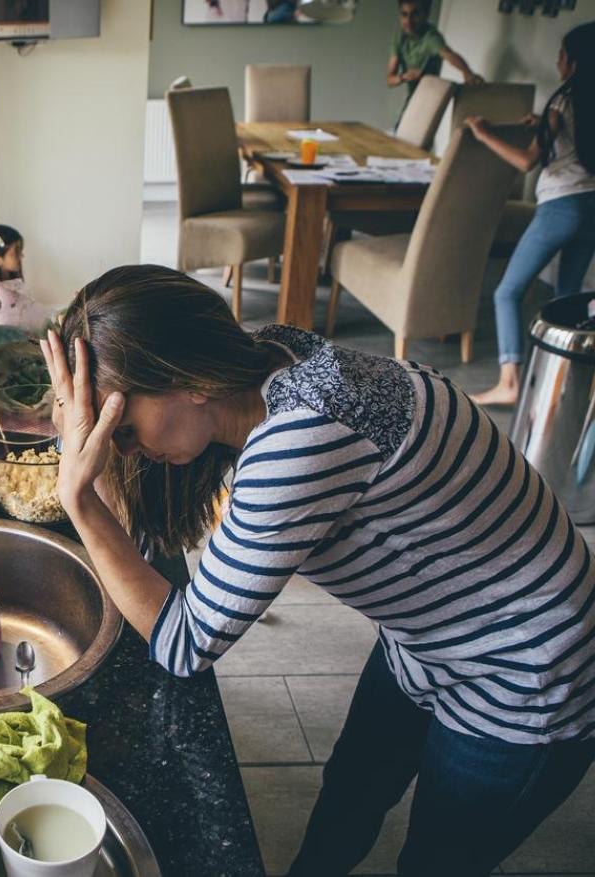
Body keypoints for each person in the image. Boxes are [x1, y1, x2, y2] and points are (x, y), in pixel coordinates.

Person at [41, 264, 595, 876]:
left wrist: (80, 499)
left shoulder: (301, 438)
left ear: (190, 380)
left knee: (438, 860)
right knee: (351, 792)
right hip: (430, 636)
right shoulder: (270, 355)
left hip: (527, 668)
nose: (118, 448)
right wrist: (86, 434)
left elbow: (183, 643)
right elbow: (144, 543)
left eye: (120, 428)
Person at [467, 21, 595, 406]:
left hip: (562, 207)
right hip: (592, 211)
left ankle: (509, 382)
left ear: (572, 63)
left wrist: (482, 133)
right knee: (567, 297)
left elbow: (526, 162)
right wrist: (542, 125)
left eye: (561, 55)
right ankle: (564, 384)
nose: (557, 61)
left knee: (507, 292)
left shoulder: (562, 102)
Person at [387, 0, 482, 105]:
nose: (409, 21)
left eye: (415, 14)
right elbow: (390, 80)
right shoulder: (400, 36)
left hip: (429, 97)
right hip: (412, 97)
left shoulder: (431, 37)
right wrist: (404, 77)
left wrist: (467, 73)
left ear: (426, 14)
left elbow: (449, 55)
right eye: (404, 14)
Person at [0, 224, 53, 340]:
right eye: (16, 252)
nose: (22, 256)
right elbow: (11, 323)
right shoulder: (2, 293)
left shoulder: (12, 285)